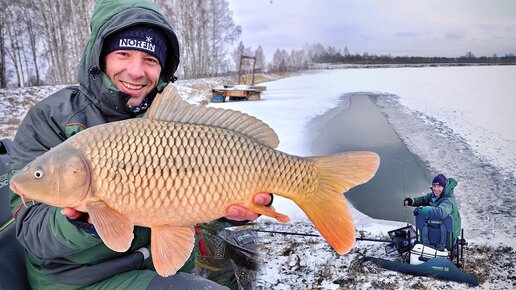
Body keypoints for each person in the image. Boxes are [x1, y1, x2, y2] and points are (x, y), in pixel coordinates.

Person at [8, 0, 271, 289]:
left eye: (150, 60)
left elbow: (195, 195)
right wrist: (80, 223)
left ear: (162, 68)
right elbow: (30, 229)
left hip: (156, 264)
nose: (136, 71)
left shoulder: (170, 120)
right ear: (100, 57)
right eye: (123, 53)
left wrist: (226, 208)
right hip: (80, 280)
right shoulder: (50, 118)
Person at [403, 174, 461, 239]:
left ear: (444, 187)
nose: (436, 189)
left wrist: (422, 209)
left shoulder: (448, 200)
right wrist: (411, 201)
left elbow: (441, 212)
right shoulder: (435, 194)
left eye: (439, 186)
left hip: (449, 233)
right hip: (440, 227)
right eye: (434, 186)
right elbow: (424, 199)